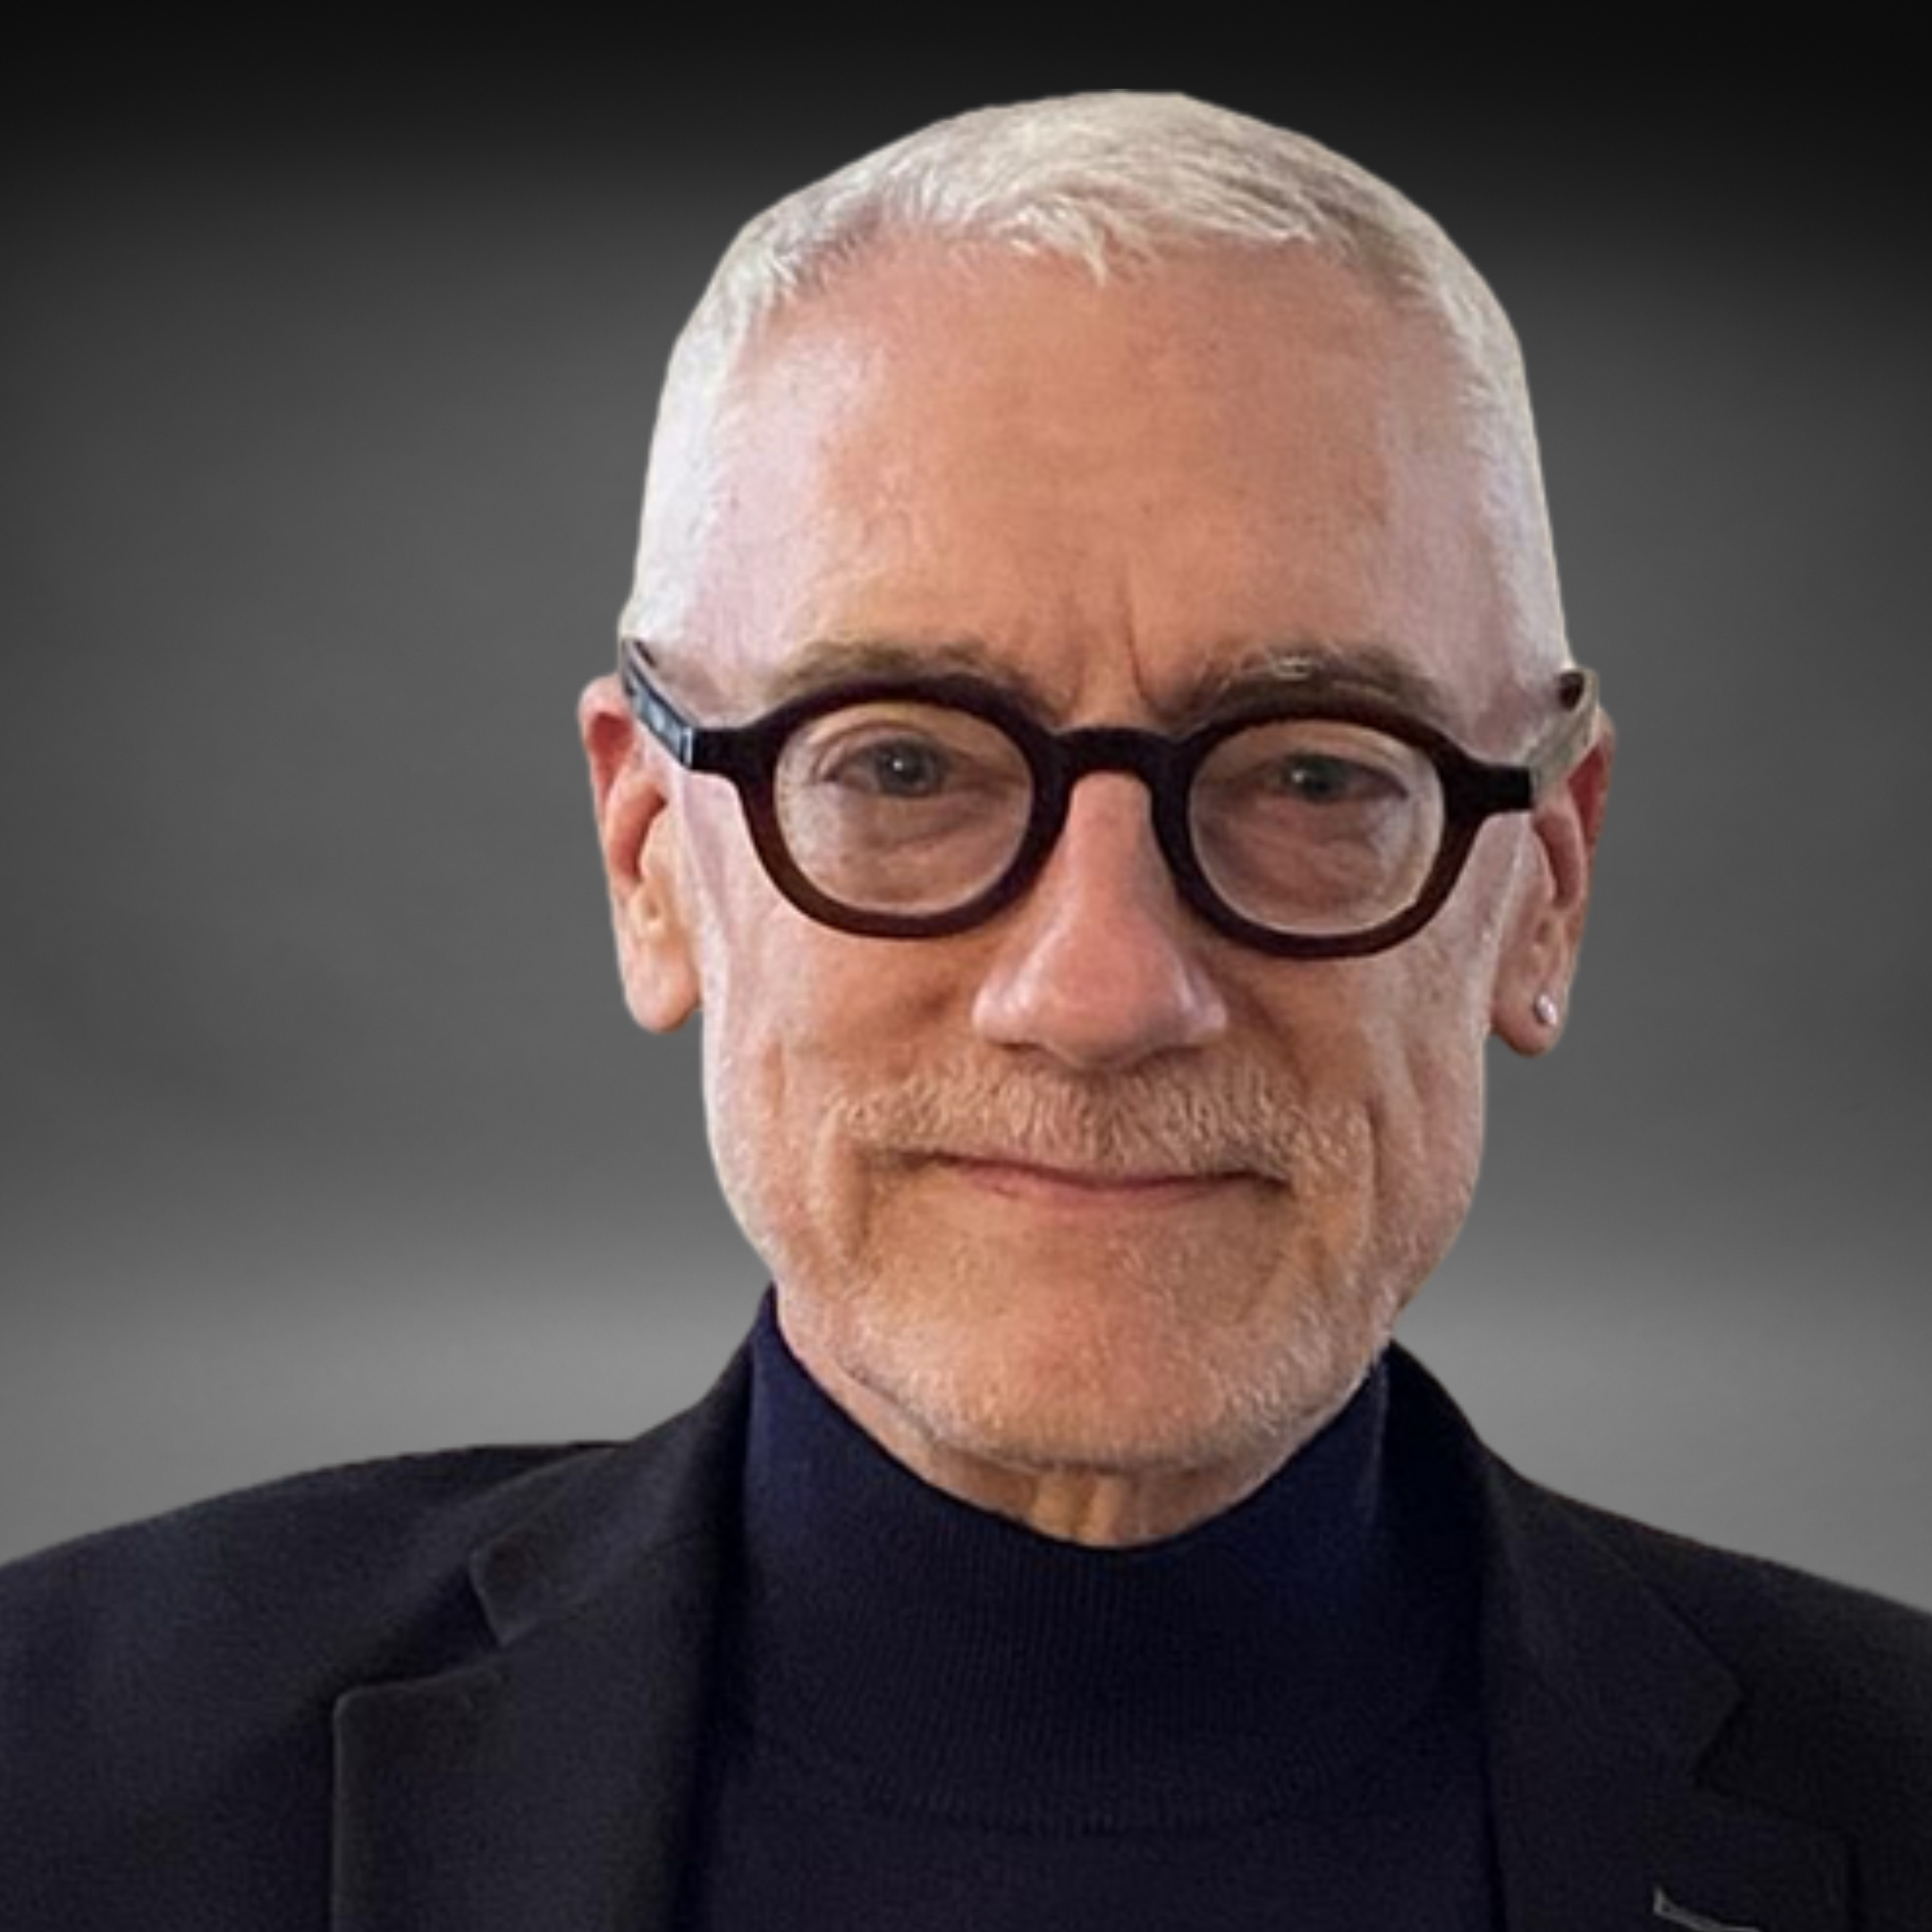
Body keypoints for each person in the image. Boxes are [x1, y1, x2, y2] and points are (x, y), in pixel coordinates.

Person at [2, 91, 1926, 1932]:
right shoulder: (63, 1777)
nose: (1097, 992)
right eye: (905, 768)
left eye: (1316, 775)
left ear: (1544, 889)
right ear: (650, 860)